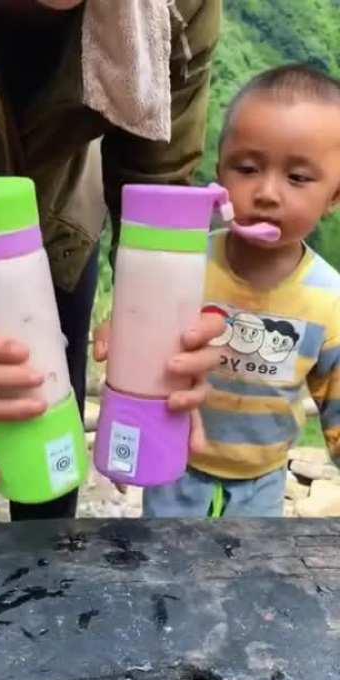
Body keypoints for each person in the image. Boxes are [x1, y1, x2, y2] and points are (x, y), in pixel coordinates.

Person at [0, 0, 223, 522]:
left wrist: (158, 316)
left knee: (49, 450)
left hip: (58, 228)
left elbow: (157, 178)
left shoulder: (177, 7)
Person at [141, 63, 340, 518]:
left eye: (298, 178)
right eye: (247, 168)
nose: (267, 192)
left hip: (262, 482)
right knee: (161, 574)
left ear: (333, 196)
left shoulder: (328, 300)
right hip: (175, 467)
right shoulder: (186, 265)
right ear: (221, 172)